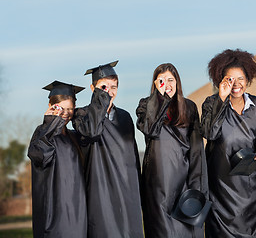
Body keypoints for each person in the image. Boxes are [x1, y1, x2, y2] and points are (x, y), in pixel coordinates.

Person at [200, 49, 256, 238]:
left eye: (240, 78)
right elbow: (209, 132)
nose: (236, 84)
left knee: (252, 229)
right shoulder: (211, 103)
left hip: (249, 183)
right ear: (221, 81)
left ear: (248, 79)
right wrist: (222, 99)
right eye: (229, 79)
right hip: (221, 184)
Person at [72, 61, 143, 238]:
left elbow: (132, 154)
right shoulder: (82, 115)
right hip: (100, 188)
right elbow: (92, 132)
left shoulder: (125, 117)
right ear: (92, 88)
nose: (109, 91)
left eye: (113, 86)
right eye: (103, 86)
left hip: (126, 187)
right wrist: (101, 101)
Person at [136, 63, 208, 238]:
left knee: (186, 231)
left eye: (170, 80)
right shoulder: (146, 105)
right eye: (161, 81)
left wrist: (197, 186)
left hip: (183, 181)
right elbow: (149, 128)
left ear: (177, 82)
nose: (167, 84)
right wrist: (159, 99)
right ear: (155, 84)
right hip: (157, 183)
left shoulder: (189, 107)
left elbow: (196, 149)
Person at [28, 81, 87, 238]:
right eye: (62, 108)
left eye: (70, 109)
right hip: (55, 213)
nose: (66, 114)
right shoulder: (42, 134)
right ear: (51, 106)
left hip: (78, 211)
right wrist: (50, 123)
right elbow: (40, 156)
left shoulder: (74, 136)